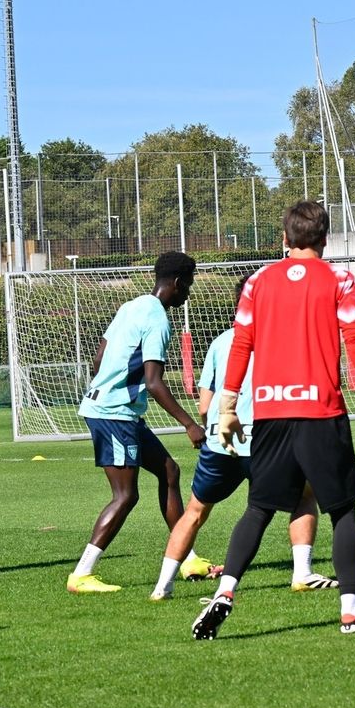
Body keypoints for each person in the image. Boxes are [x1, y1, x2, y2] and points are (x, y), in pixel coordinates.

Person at [191, 201, 355, 639]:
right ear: (325, 240)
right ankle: (350, 612)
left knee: (258, 509)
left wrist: (228, 405)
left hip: (269, 412)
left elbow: (241, 342)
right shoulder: (338, 278)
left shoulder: (258, 282)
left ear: (283, 239)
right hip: (321, 413)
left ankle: (225, 592)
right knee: (342, 511)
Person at [149, 276, 338, 601]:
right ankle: (302, 573)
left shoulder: (221, 343)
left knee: (195, 511)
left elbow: (206, 405)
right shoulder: (285, 340)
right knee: (305, 497)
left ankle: (162, 587)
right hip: (268, 442)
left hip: (222, 442)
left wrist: (209, 433)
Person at [68, 252, 207, 594]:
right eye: (188, 285)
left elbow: (99, 357)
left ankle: (186, 557)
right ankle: (82, 574)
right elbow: (155, 381)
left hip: (116, 410)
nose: (188, 293)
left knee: (169, 472)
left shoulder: (132, 306)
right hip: (114, 414)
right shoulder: (158, 318)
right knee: (125, 495)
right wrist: (190, 424)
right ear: (177, 283)